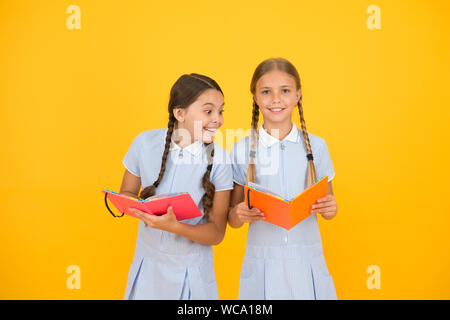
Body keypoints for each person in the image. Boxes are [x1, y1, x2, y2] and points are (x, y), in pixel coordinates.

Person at [228, 58, 338, 299]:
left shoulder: (317, 147)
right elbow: (232, 218)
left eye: (285, 91)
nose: (276, 99)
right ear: (255, 97)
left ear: (298, 95)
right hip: (262, 264)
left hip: (306, 262)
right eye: (266, 92)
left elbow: (329, 209)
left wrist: (331, 208)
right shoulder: (240, 150)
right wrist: (238, 214)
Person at [120, 73, 232, 299]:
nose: (218, 119)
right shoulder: (145, 143)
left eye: (220, 111)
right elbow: (127, 192)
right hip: (147, 269)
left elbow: (217, 233)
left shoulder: (221, 160)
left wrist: (175, 227)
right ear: (179, 113)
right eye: (208, 111)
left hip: (192, 274)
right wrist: (135, 206)